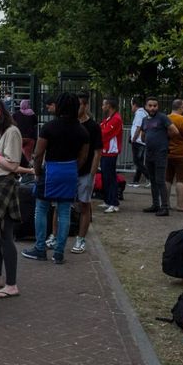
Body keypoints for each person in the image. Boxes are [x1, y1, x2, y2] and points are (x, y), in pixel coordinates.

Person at [22, 92, 89, 264]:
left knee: (42, 208)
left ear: (59, 106)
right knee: (64, 212)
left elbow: (38, 154)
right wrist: (73, 169)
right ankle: (59, 253)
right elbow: (83, 157)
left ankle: (40, 248)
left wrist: (37, 172)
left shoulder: (49, 127)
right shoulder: (82, 130)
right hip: (70, 171)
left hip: (51, 170)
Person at [0, 96, 32, 297]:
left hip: (3, 187)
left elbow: (11, 164)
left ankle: (11, 284)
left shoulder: (12, 132)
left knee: (5, 235)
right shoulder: (0, 132)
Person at [137, 97, 178, 216]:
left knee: (160, 180)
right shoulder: (145, 120)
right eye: (150, 105)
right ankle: (155, 204)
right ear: (145, 106)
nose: (152, 108)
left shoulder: (162, 117)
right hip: (149, 153)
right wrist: (146, 139)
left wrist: (165, 139)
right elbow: (143, 134)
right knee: (153, 180)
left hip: (160, 153)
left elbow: (174, 131)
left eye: (155, 105)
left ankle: (164, 207)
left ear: (158, 107)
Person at [73, 93, 102, 253]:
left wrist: (92, 174)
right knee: (60, 205)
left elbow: (98, 151)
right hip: (70, 171)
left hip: (85, 173)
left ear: (85, 106)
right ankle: (55, 236)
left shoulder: (93, 126)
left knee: (85, 204)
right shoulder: (69, 124)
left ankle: (81, 239)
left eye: (79, 105)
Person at [99, 96, 123, 214]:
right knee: (105, 176)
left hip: (110, 152)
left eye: (104, 104)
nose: (102, 107)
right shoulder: (110, 118)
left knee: (110, 177)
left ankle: (114, 202)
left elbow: (105, 132)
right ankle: (108, 200)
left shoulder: (116, 119)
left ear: (109, 105)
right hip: (106, 151)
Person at [129, 97, 151, 187]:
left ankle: (150, 178)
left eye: (131, 105)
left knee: (137, 161)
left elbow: (138, 127)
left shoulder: (139, 113)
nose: (131, 107)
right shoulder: (144, 113)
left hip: (138, 141)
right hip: (141, 141)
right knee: (140, 161)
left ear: (134, 105)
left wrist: (133, 139)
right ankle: (136, 180)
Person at [14, 98, 38, 163]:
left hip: (19, 137)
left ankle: (19, 169)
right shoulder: (32, 114)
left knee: (17, 155)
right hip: (30, 137)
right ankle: (28, 170)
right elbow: (36, 123)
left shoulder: (16, 114)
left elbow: (12, 123)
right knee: (28, 156)